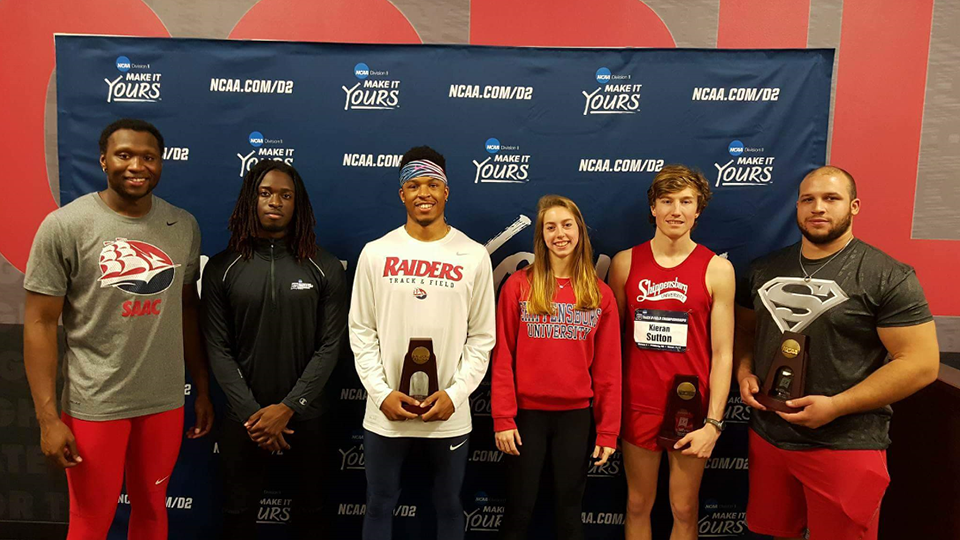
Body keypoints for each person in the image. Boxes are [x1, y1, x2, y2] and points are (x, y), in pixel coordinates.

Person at [22, 118, 213, 540]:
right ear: (103, 159)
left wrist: (200, 387)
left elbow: (187, 311)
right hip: (96, 404)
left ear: (161, 163)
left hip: (163, 403)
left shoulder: (182, 225)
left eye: (148, 157)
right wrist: (47, 419)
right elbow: (39, 323)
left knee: (152, 514)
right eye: (125, 154)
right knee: (91, 522)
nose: (137, 165)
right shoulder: (65, 226)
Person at [734, 166, 939, 540]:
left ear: (854, 206)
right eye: (808, 199)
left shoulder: (887, 275)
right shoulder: (763, 269)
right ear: (796, 207)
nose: (818, 208)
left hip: (845, 443)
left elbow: (921, 364)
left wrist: (838, 405)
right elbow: (746, 331)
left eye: (831, 198)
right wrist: (744, 370)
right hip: (769, 438)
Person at [349, 145, 496, 540]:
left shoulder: (473, 255)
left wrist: (455, 394)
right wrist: (381, 394)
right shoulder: (376, 253)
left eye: (433, 184)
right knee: (379, 503)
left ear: (447, 191)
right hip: (386, 413)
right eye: (414, 185)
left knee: (449, 505)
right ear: (402, 194)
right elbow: (361, 331)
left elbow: (482, 337)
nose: (424, 193)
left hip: (448, 413)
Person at [202, 160, 347, 539]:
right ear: (251, 199)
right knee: (237, 514)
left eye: (286, 195)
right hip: (244, 419)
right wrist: (254, 415)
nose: (275, 202)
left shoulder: (325, 267)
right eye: (266, 193)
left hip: (307, 415)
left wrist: (288, 408)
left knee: (311, 513)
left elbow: (331, 345)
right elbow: (217, 347)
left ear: (297, 205)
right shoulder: (221, 268)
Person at [608, 164, 735, 540]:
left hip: (691, 408)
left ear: (698, 210)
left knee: (683, 508)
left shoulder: (717, 269)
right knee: (636, 504)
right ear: (653, 208)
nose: (675, 210)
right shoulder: (624, 263)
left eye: (685, 201)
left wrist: (713, 423)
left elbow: (724, 353)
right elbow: (610, 345)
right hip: (637, 405)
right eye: (666, 201)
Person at [491, 194, 621, 540]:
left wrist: (608, 430)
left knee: (569, 512)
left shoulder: (599, 294)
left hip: (576, 417)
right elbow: (502, 355)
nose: (559, 234)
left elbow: (609, 370)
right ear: (541, 235)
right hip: (524, 417)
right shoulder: (519, 286)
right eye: (551, 227)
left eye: (567, 225)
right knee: (519, 509)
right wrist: (503, 417)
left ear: (580, 231)